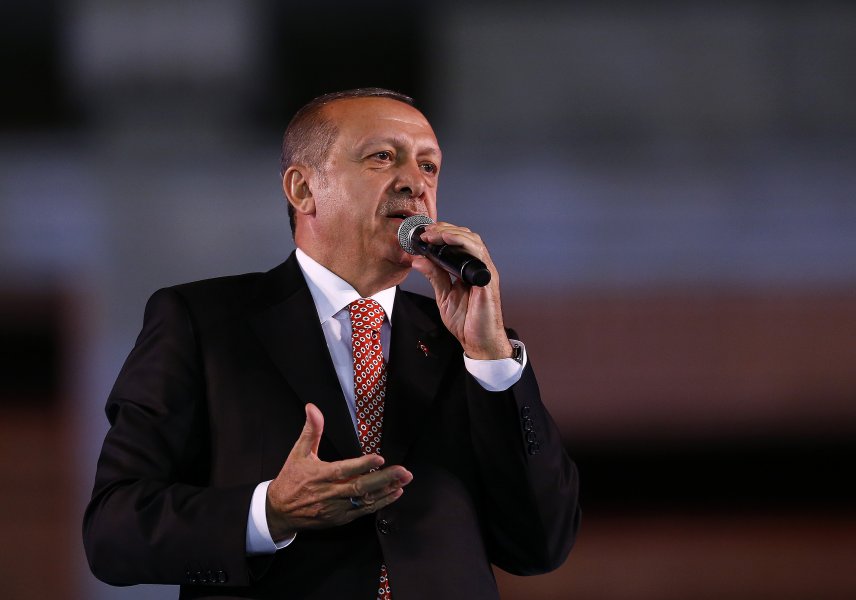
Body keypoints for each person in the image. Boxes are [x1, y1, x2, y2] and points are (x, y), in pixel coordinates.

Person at [83, 88, 580, 599]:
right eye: (382, 157)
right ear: (303, 189)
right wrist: (269, 512)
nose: (415, 183)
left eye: (429, 166)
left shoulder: (471, 346)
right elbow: (113, 531)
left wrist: (492, 361)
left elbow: (542, 544)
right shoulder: (202, 322)